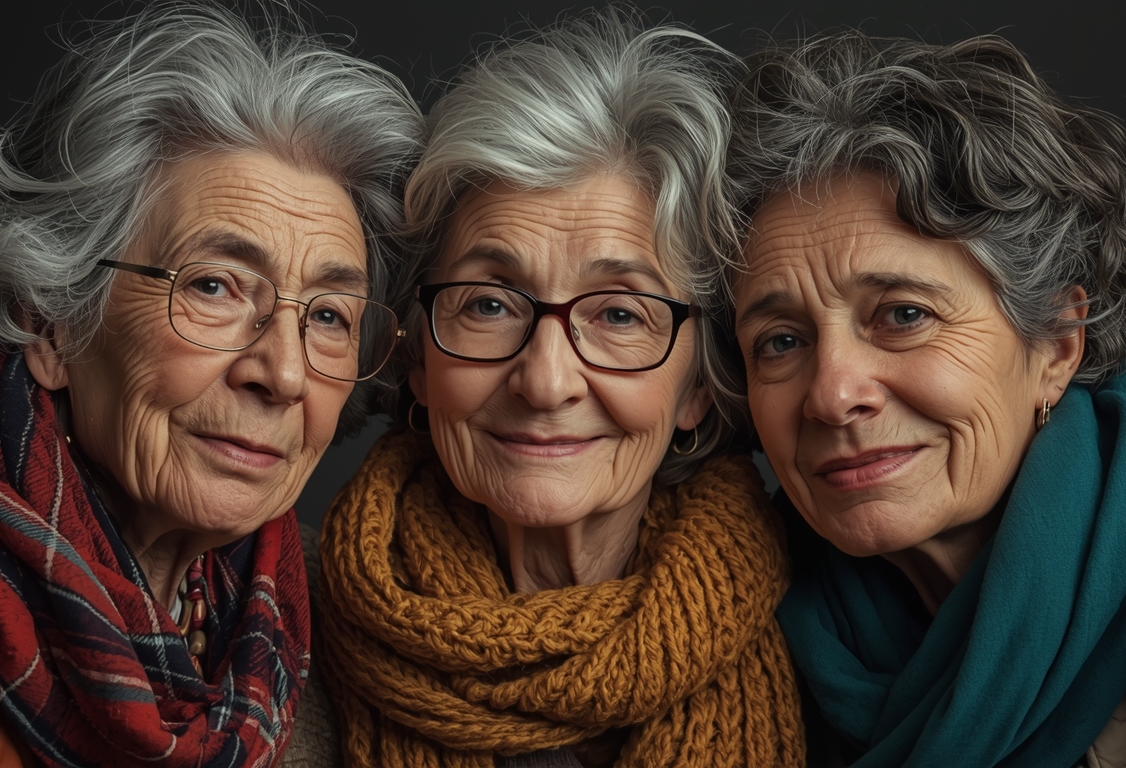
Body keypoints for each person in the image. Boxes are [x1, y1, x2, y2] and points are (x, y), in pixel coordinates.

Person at [0, 4, 422, 766]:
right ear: (51, 325)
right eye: (214, 286)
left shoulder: (301, 616)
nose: (285, 373)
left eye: (329, 315)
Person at [308, 12, 805, 768]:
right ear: (416, 358)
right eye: (487, 304)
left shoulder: (829, 647)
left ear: (699, 386)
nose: (545, 381)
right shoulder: (277, 646)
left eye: (617, 314)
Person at [723, 30, 1126, 767]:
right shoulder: (740, 649)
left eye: (902, 315)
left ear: (1055, 343)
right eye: (781, 342)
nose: (831, 396)